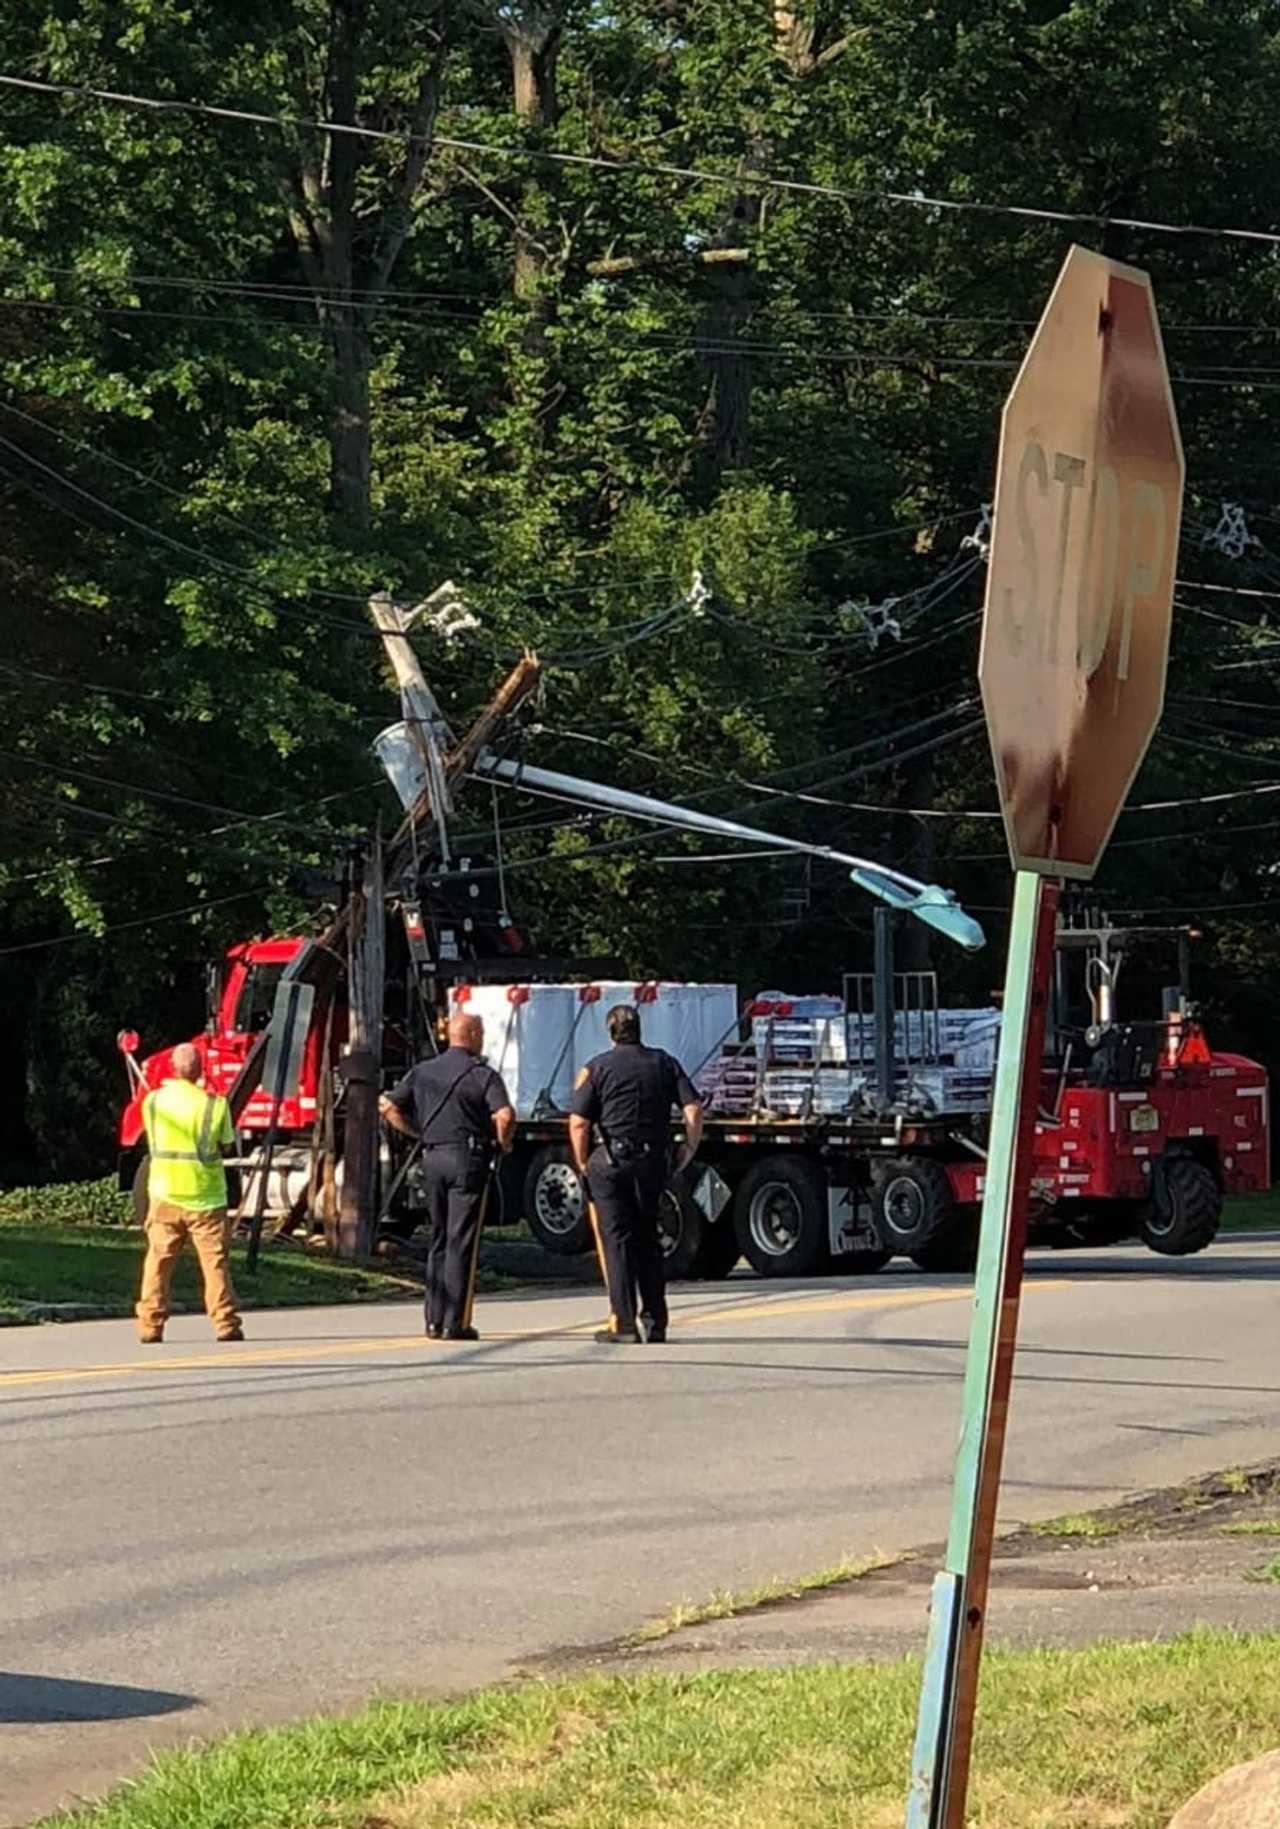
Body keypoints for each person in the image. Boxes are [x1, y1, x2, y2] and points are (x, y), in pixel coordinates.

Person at [568, 1003, 703, 1346]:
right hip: (653, 1160)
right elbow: (693, 1108)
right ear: (639, 1029)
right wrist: (689, 1147)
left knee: (617, 1241)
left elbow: (580, 1122)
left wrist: (583, 1162)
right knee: (649, 1239)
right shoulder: (664, 1063)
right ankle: (656, 1321)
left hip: (612, 1161)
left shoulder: (597, 1068)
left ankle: (623, 1322)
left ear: (610, 1032)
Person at [380, 1013, 515, 1341]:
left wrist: (417, 1133)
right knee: (461, 1240)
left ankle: (433, 1320)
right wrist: (503, 1142)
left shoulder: (422, 1072)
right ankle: (457, 1321)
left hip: (432, 1157)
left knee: (438, 1237)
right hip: (467, 1159)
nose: (482, 1038)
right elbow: (505, 1114)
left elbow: (387, 1105)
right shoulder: (482, 1074)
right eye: (480, 1032)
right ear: (469, 1034)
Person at [135, 1042, 243, 1345]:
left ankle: (150, 1325)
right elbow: (225, 1145)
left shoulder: (152, 1102)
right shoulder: (215, 1105)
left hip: (164, 1193)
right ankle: (225, 1323)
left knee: (158, 1262)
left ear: (172, 1067)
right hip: (206, 1197)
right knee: (215, 1263)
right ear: (201, 1070)